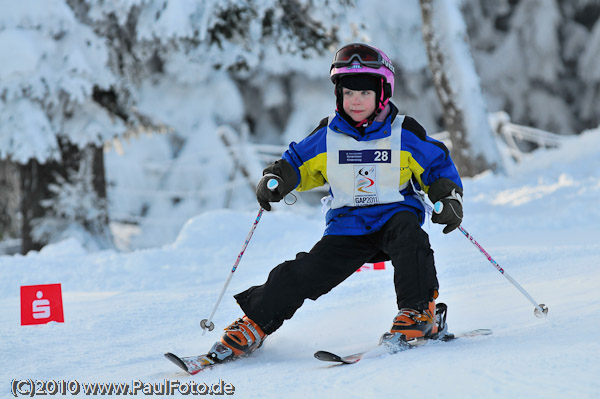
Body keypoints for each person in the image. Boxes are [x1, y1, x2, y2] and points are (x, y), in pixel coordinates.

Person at [207, 43, 464, 362]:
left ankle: (419, 312)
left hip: (395, 217)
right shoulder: (328, 134)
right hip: (348, 227)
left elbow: (436, 164)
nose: (356, 101)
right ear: (338, 95)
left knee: (412, 239)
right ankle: (255, 323)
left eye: (365, 94)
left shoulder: (403, 132)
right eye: (348, 93)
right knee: (303, 272)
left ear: (382, 94)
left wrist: (447, 196)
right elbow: (298, 163)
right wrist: (279, 177)